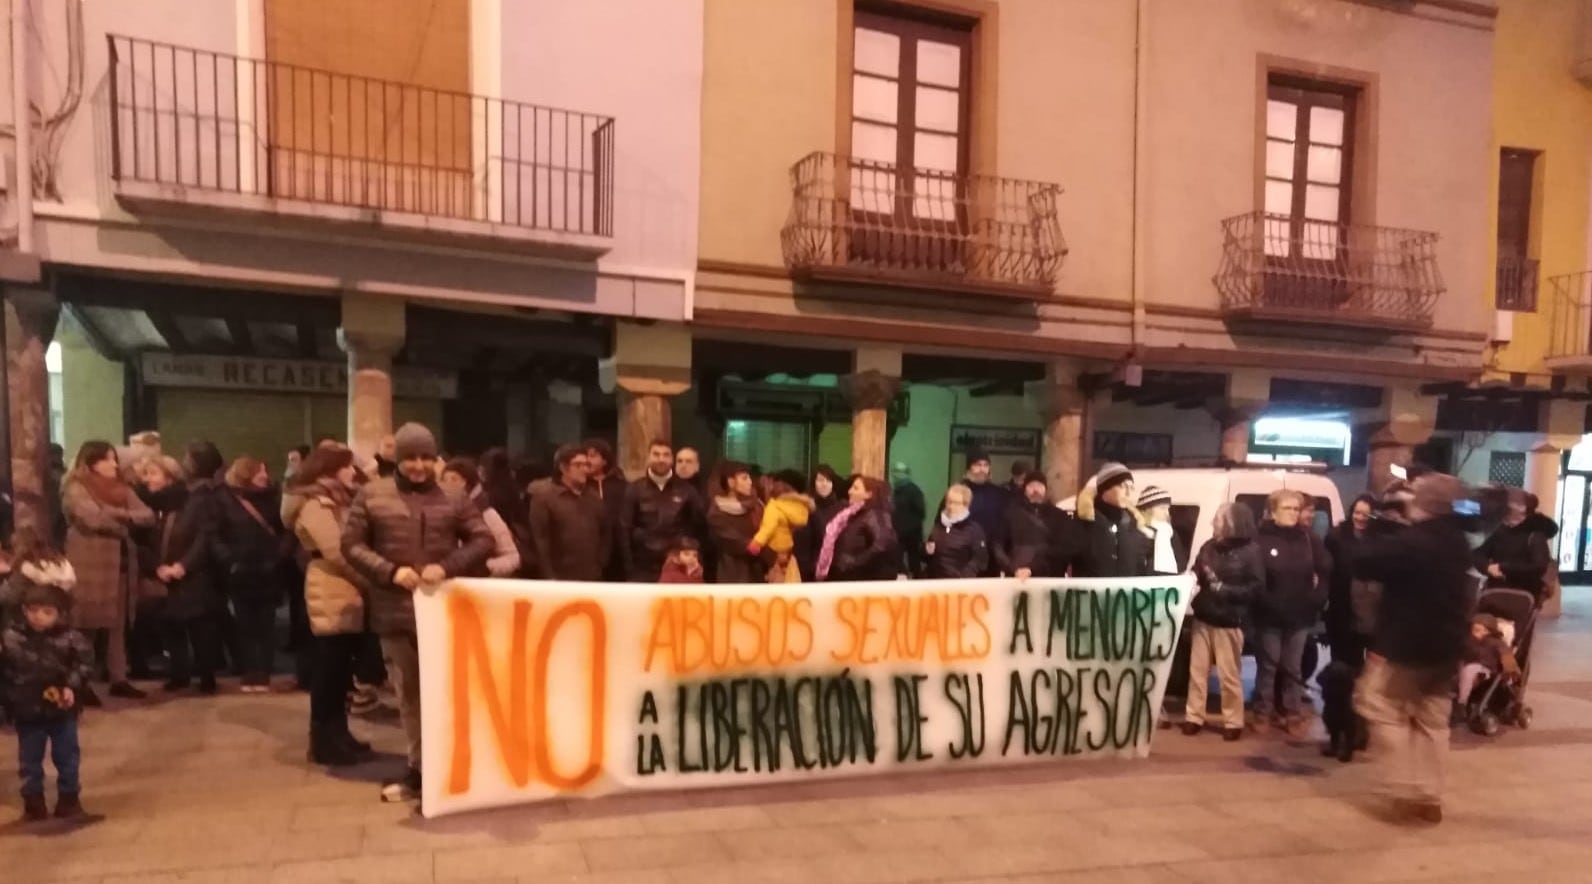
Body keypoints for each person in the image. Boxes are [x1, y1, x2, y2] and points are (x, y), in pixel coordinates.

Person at [344, 423, 494, 803]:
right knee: (409, 695)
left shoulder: (455, 496)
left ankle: (455, 764)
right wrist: (391, 572)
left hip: (443, 611)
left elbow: (482, 538)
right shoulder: (371, 494)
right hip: (394, 613)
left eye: (426, 457)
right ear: (398, 457)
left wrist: (448, 565)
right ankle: (419, 769)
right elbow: (351, 545)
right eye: (411, 457)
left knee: (449, 694)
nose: (419, 466)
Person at [1353, 473, 1473, 824]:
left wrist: (1379, 523)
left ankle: (1403, 787)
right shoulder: (1456, 540)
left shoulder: (1415, 541)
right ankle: (1429, 795)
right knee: (1433, 722)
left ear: (1423, 502)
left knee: (1378, 706)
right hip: (1445, 648)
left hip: (1407, 648)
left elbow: (1363, 562)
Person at [285, 447, 374, 767]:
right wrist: (368, 580)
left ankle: (339, 734)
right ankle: (324, 741)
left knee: (340, 668)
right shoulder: (316, 504)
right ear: (329, 470)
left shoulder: (338, 499)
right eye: (348, 467)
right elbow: (336, 551)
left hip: (343, 585)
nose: (354, 472)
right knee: (330, 667)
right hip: (332, 584)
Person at [62, 441, 155, 702]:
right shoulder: (76, 487)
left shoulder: (122, 488)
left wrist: (115, 514)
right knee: (86, 624)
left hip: (121, 564)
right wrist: (126, 520)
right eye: (108, 459)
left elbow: (147, 515)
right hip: (90, 561)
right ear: (92, 462)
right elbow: (92, 518)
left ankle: (119, 678)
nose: (115, 464)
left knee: (117, 624)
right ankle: (82, 681)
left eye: (114, 459)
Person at [3, 576, 94, 822]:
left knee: (67, 755)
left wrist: (72, 686)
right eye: (32, 610)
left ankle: (69, 799)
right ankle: (33, 804)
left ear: (60, 614)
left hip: (61, 708)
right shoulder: (11, 638)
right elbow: (7, 671)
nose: (38, 616)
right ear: (24, 611)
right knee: (29, 759)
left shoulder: (71, 638)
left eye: (47, 612)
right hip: (27, 708)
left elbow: (84, 665)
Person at [132, 455, 220, 694]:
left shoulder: (193, 501)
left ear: (169, 476)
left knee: (199, 627)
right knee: (169, 626)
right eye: (145, 474)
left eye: (153, 473)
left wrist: (184, 565)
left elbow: (203, 537)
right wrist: (155, 567)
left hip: (191, 573)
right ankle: (178, 674)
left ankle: (206, 676)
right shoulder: (146, 506)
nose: (147, 479)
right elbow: (140, 542)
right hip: (161, 574)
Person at [1183, 503, 1263, 741]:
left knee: (1229, 675)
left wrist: (1225, 590)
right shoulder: (1209, 546)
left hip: (1229, 620)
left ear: (1232, 522)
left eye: (1218, 519)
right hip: (1204, 616)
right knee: (1197, 672)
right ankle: (1193, 716)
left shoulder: (1251, 551)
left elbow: (1256, 587)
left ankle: (1233, 721)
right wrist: (1191, 575)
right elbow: (1197, 569)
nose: (1213, 523)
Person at [1252, 489, 1329, 735]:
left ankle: (1292, 713)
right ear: (1273, 511)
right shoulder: (1260, 539)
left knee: (1293, 668)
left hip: (1299, 616)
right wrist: (1267, 602)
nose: (1293, 513)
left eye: (1297, 509)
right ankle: (1263, 712)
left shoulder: (1308, 539)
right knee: (1269, 667)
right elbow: (1256, 578)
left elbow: (1324, 570)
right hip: (1270, 616)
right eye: (1287, 508)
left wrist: (1316, 599)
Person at [213, 457, 292, 694]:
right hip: (240, 572)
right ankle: (250, 673)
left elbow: (286, 531)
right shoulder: (226, 501)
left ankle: (264, 673)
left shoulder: (274, 500)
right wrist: (229, 560)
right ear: (246, 474)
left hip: (268, 571)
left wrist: (278, 557)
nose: (265, 475)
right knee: (245, 625)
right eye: (259, 471)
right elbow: (216, 534)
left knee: (265, 625)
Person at [619, 440, 705, 582]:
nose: (661, 459)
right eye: (656, 454)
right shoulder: (634, 489)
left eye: (666, 455)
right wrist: (629, 567)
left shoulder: (687, 490)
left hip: (678, 568)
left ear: (672, 459)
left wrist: (693, 560)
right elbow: (624, 529)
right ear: (648, 457)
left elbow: (699, 528)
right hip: (642, 568)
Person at [529, 444, 610, 582]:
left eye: (586, 465)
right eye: (578, 465)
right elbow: (540, 541)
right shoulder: (545, 498)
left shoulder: (593, 497)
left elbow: (606, 533)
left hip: (592, 576)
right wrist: (549, 576)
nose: (584, 469)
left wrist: (601, 563)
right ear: (563, 468)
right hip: (559, 578)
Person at [441, 458, 523, 577]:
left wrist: (486, 568)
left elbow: (512, 557)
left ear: (468, 482)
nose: (448, 484)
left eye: (454, 479)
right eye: (444, 479)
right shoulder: (437, 513)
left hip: (479, 584)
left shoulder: (487, 514)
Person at [1475, 489, 1557, 601]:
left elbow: (1539, 567)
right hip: (1496, 591)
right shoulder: (1501, 530)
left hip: (1523, 594)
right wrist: (1487, 567)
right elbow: (1478, 554)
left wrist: (1503, 567)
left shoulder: (1535, 535)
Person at [1073, 463, 1149, 578]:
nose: (1128, 493)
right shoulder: (1083, 524)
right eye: (1123, 486)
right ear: (1105, 488)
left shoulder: (1133, 526)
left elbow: (1140, 568)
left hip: (1124, 595)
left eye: (1131, 487)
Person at [817, 476, 899, 582]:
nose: (849, 491)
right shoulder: (851, 515)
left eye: (856, 488)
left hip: (866, 582)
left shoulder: (876, 515)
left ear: (869, 494)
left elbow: (884, 543)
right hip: (848, 578)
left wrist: (855, 561)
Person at [998, 472, 1068, 579]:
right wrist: (1012, 568)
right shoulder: (1010, 514)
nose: (1035, 490)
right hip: (1016, 577)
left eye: (1039, 486)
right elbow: (998, 545)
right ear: (1025, 489)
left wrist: (1033, 568)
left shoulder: (1059, 516)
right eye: (1031, 486)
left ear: (1046, 489)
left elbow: (1059, 549)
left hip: (1048, 578)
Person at [749, 469, 814, 584]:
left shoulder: (774, 506)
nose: (771, 486)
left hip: (776, 557)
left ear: (784, 486)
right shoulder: (803, 508)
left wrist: (756, 543)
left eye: (774, 483)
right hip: (792, 559)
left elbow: (767, 528)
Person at [707, 462, 764, 585]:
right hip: (731, 572)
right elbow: (730, 539)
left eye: (749, 478)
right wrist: (753, 544)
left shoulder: (757, 505)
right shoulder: (717, 512)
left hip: (758, 570)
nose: (750, 482)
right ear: (731, 482)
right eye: (744, 478)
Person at [923, 484, 988, 579]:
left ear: (966, 505)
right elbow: (928, 557)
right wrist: (926, 551)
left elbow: (980, 559)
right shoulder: (938, 526)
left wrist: (964, 576)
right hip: (936, 582)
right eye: (949, 502)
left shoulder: (974, 530)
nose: (951, 506)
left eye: (956, 503)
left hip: (960, 584)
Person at [962, 451, 1008, 576]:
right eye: (977, 465)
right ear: (969, 468)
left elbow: (1006, 524)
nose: (982, 469)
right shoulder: (959, 492)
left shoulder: (999, 494)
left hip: (992, 557)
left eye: (985, 465)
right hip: (965, 557)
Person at [797, 465, 845, 582]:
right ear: (813, 483)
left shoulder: (842, 507)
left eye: (828, 481)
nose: (824, 484)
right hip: (807, 569)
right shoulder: (803, 505)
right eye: (820, 480)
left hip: (833, 569)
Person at [1137, 486, 1188, 575]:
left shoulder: (1169, 533)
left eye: (1168, 508)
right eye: (1162, 508)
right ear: (1147, 509)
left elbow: (1181, 564)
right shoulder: (1134, 532)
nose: (1167, 513)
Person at [891, 463, 927, 576]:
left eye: (901, 472)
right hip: (898, 532)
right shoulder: (895, 490)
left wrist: (909, 526)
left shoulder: (914, 490)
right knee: (897, 560)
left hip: (912, 533)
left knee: (914, 562)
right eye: (895, 472)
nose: (897, 475)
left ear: (907, 474)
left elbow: (921, 511)